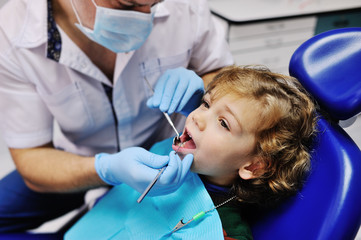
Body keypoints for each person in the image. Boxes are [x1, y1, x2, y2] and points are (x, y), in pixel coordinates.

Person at [0, 0, 234, 232]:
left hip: (165, 152)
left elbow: (227, 80)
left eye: (154, 4)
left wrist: (205, 91)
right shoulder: (12, 31)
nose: (145, 16)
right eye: (127, 5)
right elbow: (31, 155)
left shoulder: (185, 6)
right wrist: (107, 169)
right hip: (82, 160)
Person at [65, 65, 318, 239]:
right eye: (206, 103)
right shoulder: (167, 153)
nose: (197, 117)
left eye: (223, 123)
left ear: (253, 166)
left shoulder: (225, 233)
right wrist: (108, 168)